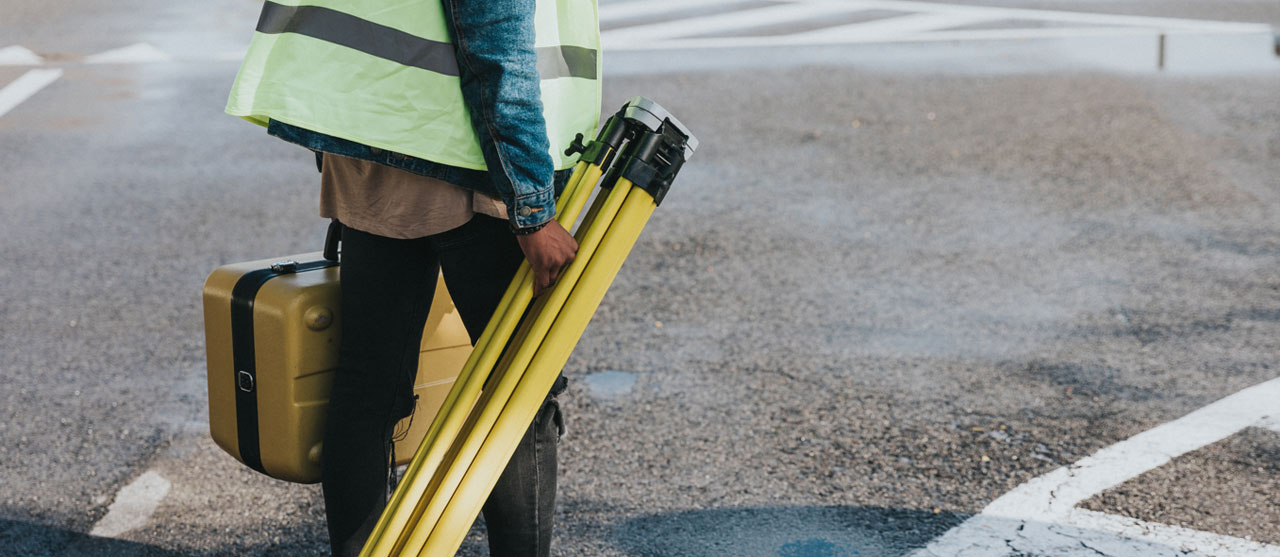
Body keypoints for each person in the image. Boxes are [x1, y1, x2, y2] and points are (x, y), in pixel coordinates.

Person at [224, 0, 602, 554]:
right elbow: (496, 52)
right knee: (519, 392)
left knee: (368, 388)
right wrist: (533, 212)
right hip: (469, 163)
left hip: (377, 148)